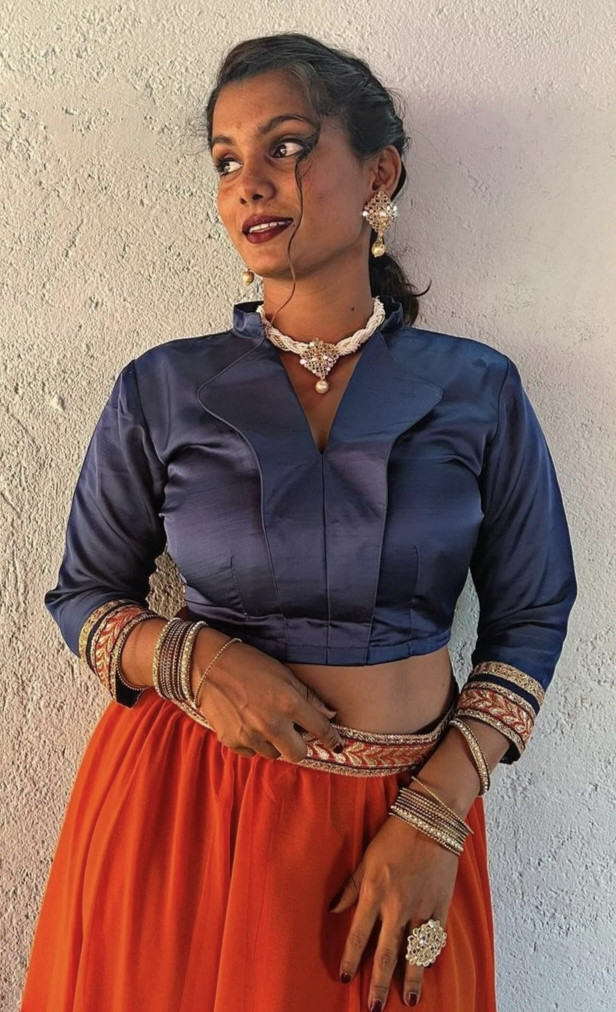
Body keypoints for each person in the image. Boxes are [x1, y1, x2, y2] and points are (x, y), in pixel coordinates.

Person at [21, 32, 576, 1012]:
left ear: (378, 174)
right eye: (226, 161)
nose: (249, 183)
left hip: (404, 823)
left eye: (285, 146)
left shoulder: (476, 389)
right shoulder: (164, 387)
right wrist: (198, 659)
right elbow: (85, 596)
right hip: (188, 808)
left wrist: (439, 809)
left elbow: (530, 616)